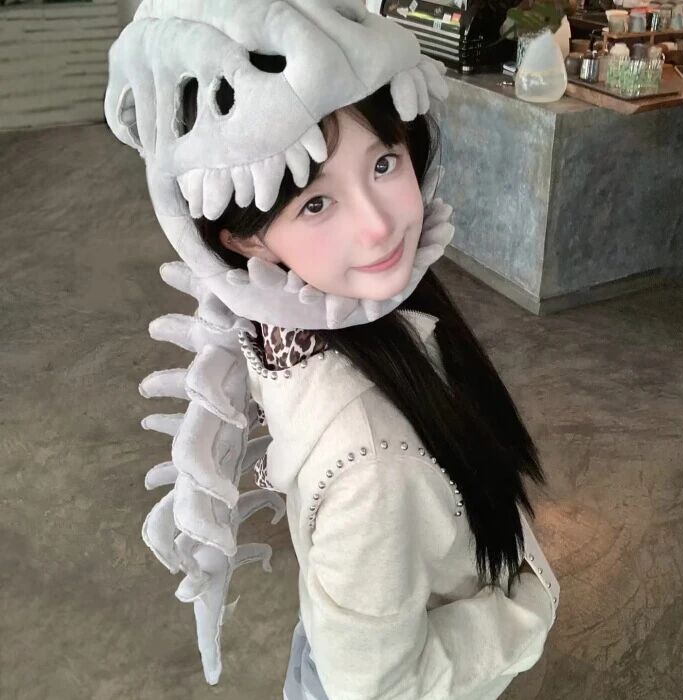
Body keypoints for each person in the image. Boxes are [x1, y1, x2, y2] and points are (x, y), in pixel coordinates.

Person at [105, 2, 560, 697]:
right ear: (244, 240)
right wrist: (529, 609)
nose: (377, 226)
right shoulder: (372, 471)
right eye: (315, 204)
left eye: (384, 161)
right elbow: (378, 686)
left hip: (339, 627)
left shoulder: (312, 315)